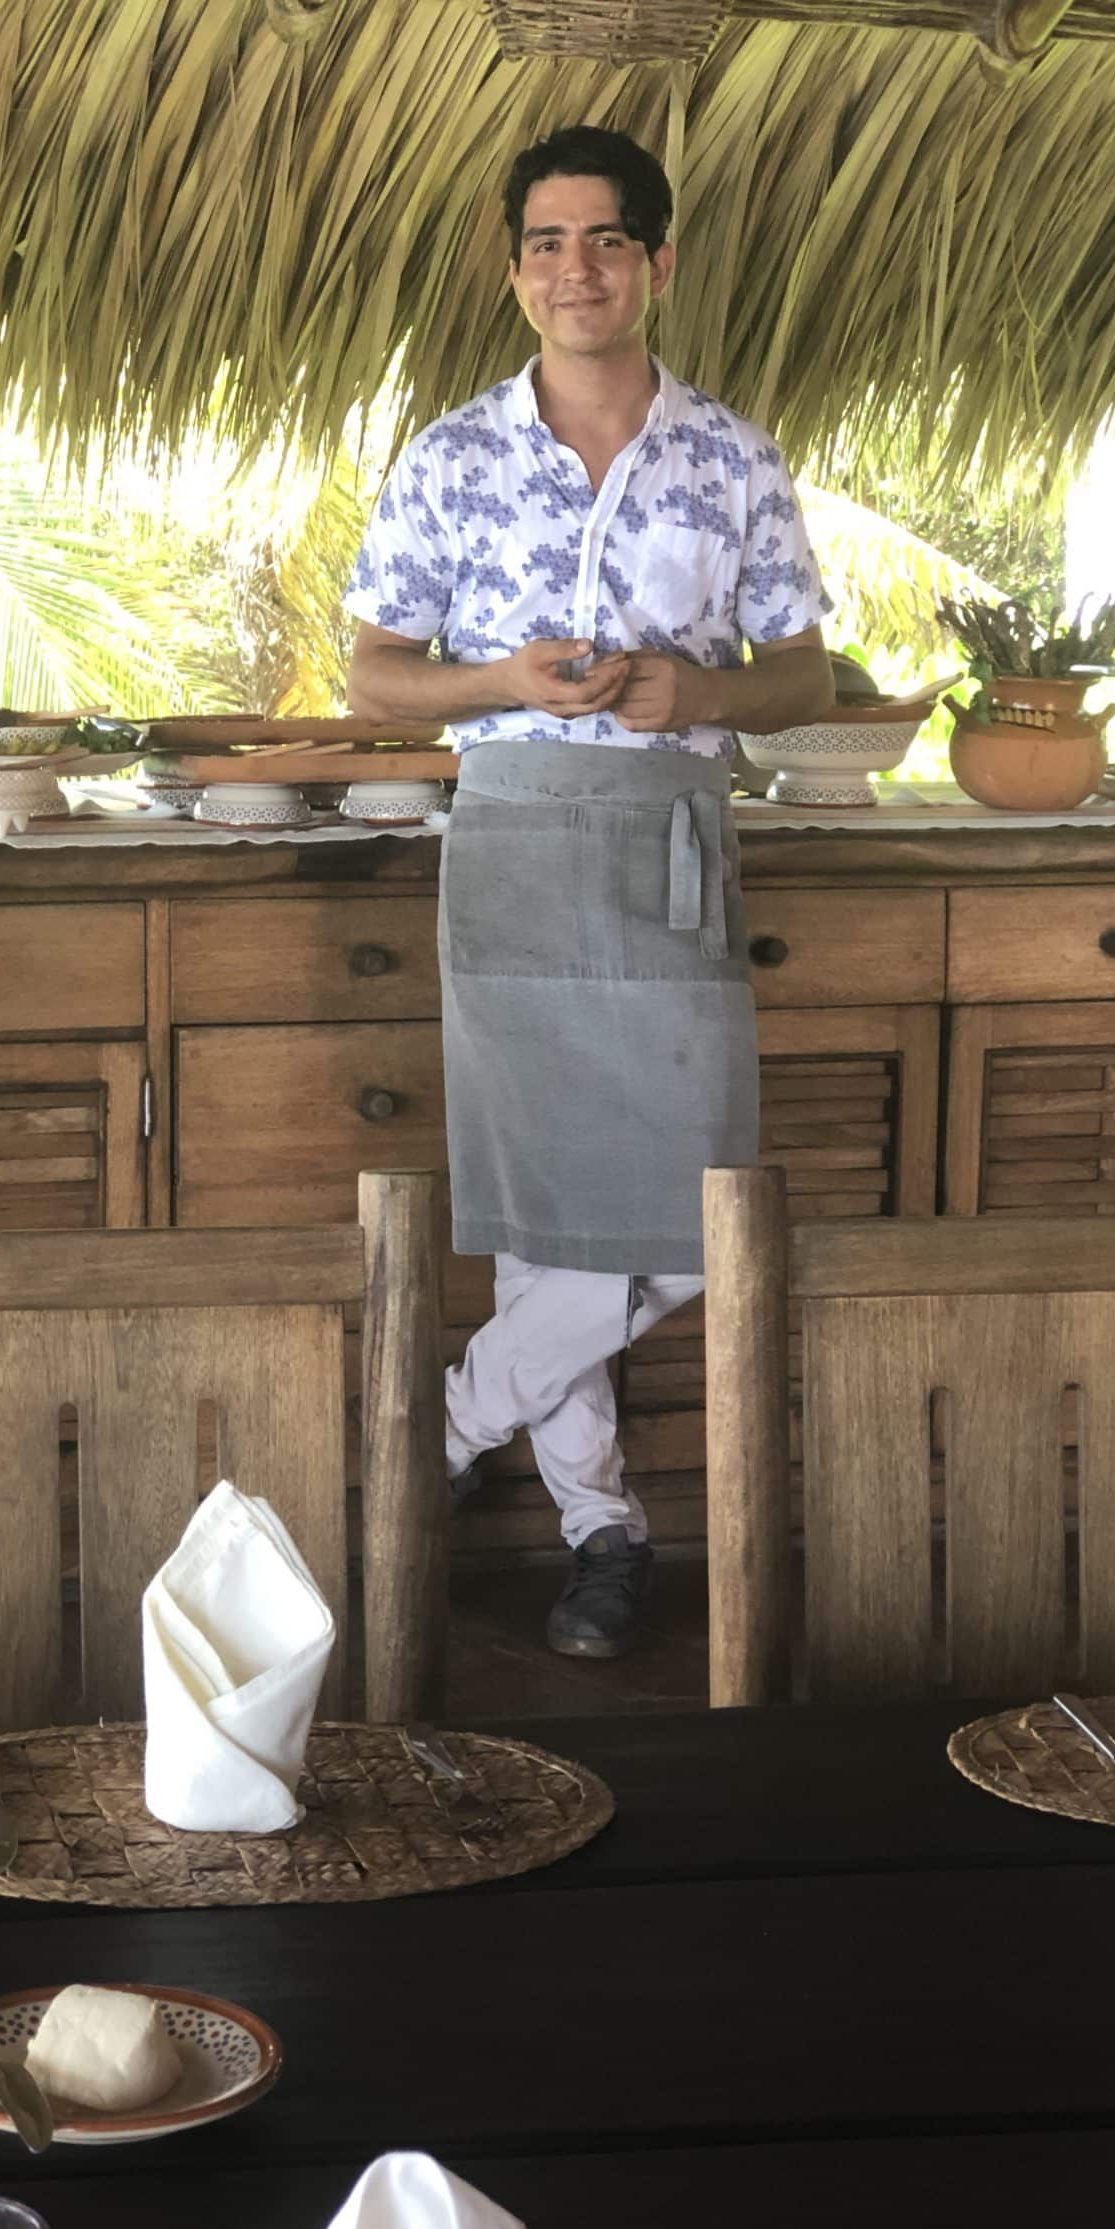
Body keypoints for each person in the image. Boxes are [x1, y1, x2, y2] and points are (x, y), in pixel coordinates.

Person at [343, 123, 832, 1659]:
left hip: (672, 841)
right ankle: (603, 1534)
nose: (578, 269)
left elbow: (807, 673)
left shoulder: (732, 455)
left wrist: (691, 694)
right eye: (548, 243)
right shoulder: (453, 454)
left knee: (692, 1218)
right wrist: (503, 677)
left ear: (657, 262)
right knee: (541, 1216)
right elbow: (370, 675)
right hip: (511, 840)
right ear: (515, 269)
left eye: (607, 240)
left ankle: (431, 1429)